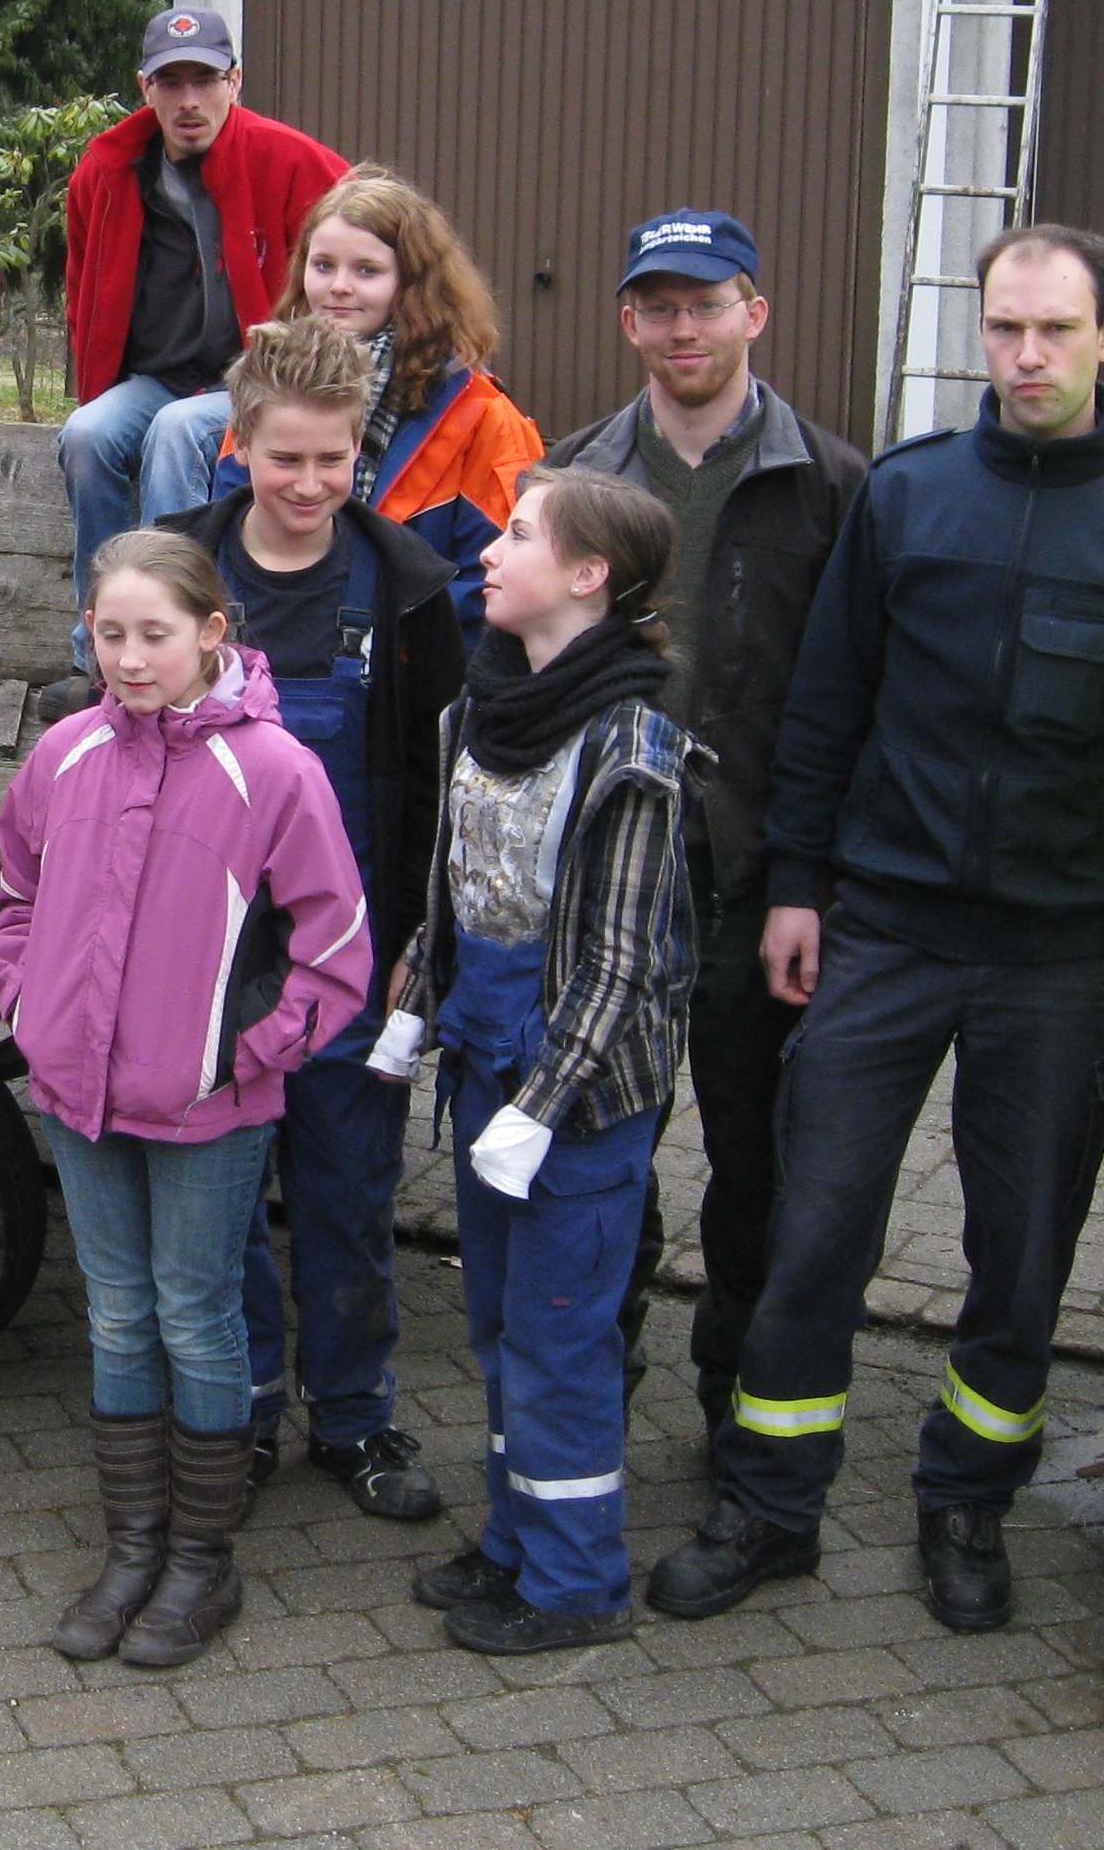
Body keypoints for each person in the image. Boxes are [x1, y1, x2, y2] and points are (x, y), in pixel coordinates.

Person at [648, 225, 1104, 1635]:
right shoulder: (908, 496)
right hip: (883, 930)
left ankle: (967, 1503)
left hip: (1061, 951)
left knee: (1023, 1247)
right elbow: (826, 706)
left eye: (1053, 332)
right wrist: (797, 888)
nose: (1023, 356)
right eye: (1003, 327)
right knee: (817, 1219)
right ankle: (772, 1504)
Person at [0, 529, 370, 1671]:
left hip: (209, 1105)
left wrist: (250, 1054)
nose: (128, 657)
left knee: (195, 1311)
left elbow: (336, 943)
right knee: (116, 1309)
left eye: (154, 633)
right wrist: (31, 1007)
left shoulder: (274, 770)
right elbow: (11, 890)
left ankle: (202, 1559)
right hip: (79, 1092)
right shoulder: (62, 754)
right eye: (108, 633)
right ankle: (132, 1542)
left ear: (213, 633)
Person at [542, 210, 865, 1429]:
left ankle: (740, 1390)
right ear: (627, 320)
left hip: (755, 883)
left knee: (757, 1160)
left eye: (707, 301)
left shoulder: (831, 486)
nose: (683, 326)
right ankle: (593, 1387)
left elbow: (849, 698)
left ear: (754, 313)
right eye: (659, 305)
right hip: (610, 877)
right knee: (599, 1145)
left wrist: (810, 880)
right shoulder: (571, 480)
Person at [389, 470, 702, 1657]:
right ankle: (517, 1537)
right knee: (499, 1323)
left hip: (575, 1093)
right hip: (483, 1057)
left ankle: (575, 1583)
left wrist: (544, 1102)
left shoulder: (633, 742)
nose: (488, 551)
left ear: (585, 577)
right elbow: (456, 878)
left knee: (563, 1332)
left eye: (515, 535)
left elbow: (621, 958)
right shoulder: (475, 711)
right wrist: (416, 1001)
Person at [158, 319, 462, 1520]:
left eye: (330, 461)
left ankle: (356, 1416)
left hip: (349, 965)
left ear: (360, 457)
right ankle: (240, 1407)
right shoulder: (173, 568)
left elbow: (444, 788)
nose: (307, 484)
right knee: (219, 1207)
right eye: (284, 458)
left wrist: (418, 951)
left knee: (344, 1197)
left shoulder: (404, 588)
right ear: (237, 448)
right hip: (202, 960)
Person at [38, 7, 346, 725]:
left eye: (205, 80)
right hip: (159, 377)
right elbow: (85, 291)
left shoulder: (292, 160)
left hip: (261, 380)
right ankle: (101, 655)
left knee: (178, 432)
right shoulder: (110, 169)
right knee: (87, 434)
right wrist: (98, 380)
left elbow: (366, 251)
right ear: (144, 88)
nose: (188, 101)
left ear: (234, 81)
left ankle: (175, 645)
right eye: (170, 82)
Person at [224, 169, 543, 643]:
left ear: (412, 285)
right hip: (270, 654)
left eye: (367, 271)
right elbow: (226, 539)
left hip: (415, 667)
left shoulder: (484, 417)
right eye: (324, 265)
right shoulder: (269, 389)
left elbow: (499, 581)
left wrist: (373, 623)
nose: (339, 286)